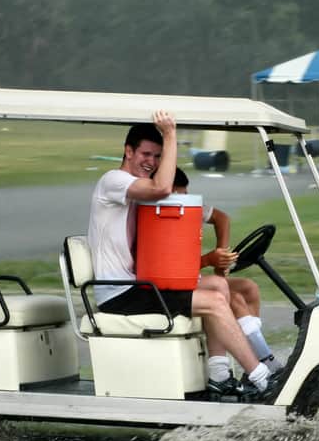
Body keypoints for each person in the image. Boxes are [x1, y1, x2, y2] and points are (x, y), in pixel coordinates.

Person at [87, 111, 281, 400]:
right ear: (128, 151)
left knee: (219, 286)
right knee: (214, 301)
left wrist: (211, 258)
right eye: (146, 154)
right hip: (119, 293)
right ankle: (262, 378)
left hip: (137, 285)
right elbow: (162, 187)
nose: (151, 162)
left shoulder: (137, 191)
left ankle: (219, 375)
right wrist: (170, 134)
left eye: (157, 156)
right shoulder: (113, 181)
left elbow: (173, 195)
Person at [172, 168, 284, 377]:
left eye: (185, 194)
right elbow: (173, 268)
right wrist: (208, 260)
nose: (183, 200)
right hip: (177, 282)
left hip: (193, 277)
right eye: (178, 195)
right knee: (233, 297)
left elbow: (222, 219)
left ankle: (253, 358)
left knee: (249, 287)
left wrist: (221, 258)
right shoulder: (161, 219)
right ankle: (264, 360)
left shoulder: (187, 206)